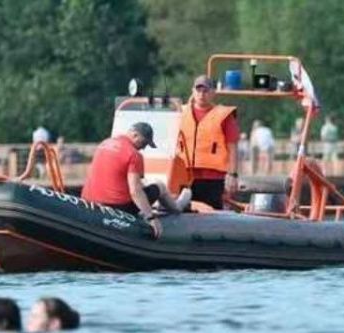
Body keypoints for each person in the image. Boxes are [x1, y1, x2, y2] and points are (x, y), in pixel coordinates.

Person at [80, 122, 190, 239]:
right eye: (144, 143)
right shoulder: (134, 155)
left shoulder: (104, 144)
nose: (143, 148)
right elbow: (135, 191)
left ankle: (161, 204)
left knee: (143, 186)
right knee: (160, 186)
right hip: (117, 207)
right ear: (135, 135)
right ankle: (177, 208)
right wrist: (150, 218)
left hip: (89, 202)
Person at [177, 75, 239, 210]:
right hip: (183, 175)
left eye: (205, 91)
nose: (201, 94)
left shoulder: (224, 115)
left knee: (212, 214)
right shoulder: (179, 112)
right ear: (192, 91)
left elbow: (232, 146)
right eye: (198, 90)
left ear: (213, 93)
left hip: (213, 178)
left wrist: (233, 175)